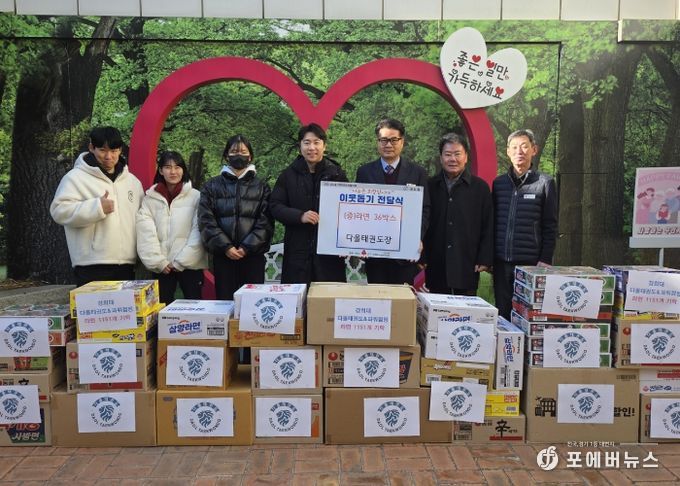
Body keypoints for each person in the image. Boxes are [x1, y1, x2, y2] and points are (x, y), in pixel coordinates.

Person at [50, 126, 144, 287]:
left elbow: (143, 220)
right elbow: (59, 211)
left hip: (127, 265)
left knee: (124, 305)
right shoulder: (75, 178)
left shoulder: (133, 182)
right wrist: (97, 207)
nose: (108, 156)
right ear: (91, 147)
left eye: (114, 151)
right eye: (102, 150)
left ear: (120, 150)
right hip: (91, 265)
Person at [270, 123, 348, 284]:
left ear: (324, 146)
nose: (312, 148)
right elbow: (275, 206)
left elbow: (348, 210)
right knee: (298, 295)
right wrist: (300, 216)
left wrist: (346, 243)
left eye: (316, 142)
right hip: (298, 249)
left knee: (328, 295)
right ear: (300, 147)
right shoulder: (288, 175)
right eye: (307, 143)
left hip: (329, 252)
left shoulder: (337, 174)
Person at [492, 129, 558, 319]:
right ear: (507, 151)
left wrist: (545, 259)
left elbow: (551, 225)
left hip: (531, 264)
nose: (519, 151)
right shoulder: (499, 184)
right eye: (514, 147)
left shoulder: (545, 183)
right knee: (503, 315)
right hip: (501, 263)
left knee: (529, 315)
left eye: (524, 146)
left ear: (534, 150)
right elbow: (492, 223)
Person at [355, 118, 430, 285]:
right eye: (383, 140)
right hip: (375, 253)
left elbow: (424, 209)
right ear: (377, 142)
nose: (388, 144)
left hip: (405, 253)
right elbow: (359, 209)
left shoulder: (417, 173)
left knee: (402, 299)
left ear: (402, 141)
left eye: (394, 140)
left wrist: (416, 237)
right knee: (377, 296)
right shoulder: (364, 172)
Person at [198, 135, 273, 300]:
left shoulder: (262, 187)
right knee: (226, 304)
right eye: (234, 151)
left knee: (253, 305)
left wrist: (247, 247)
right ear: (226, 155)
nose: (239, 155)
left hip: (253, 257)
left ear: (250, 156)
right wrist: (226, 247)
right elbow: (206, 221)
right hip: (223, 257)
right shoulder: (211, 186)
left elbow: (266, 222)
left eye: (243, 152)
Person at [423, 133, 493, 296]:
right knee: (438, 306)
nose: (452, 159)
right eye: (448, 154)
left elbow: (488, 224)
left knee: (465, 308)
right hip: (436, 262)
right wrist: (422, 255)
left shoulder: (480, 188)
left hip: (467, 262)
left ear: (466, 157)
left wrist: (485, 258)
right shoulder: (430, 186)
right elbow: (422, 222)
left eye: (457, 154)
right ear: (441, 158)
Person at [136, 151, 208, 304]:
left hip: (190, 266)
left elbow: (198, 231)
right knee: (161, 310)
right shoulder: (149, 199)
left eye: (177, 167)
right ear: (161, 170)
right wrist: (159, 262)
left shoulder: (196, 196)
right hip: (162, 267)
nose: (173, 171)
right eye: (168, 167)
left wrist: (181, 261)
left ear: (183, 170)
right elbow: (145, 233)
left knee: (195, 308)